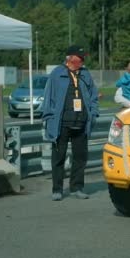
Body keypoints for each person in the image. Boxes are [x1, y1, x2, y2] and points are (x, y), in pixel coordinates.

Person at [41, 45, 99, 201]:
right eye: (81, 58)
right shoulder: (57, 74)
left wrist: (93, 113)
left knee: (80, 157)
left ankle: (77, 188)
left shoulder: (85, 74)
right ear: (71, 58)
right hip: (61, 123)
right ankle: (57, 189)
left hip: (81, 122)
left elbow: (93, 95)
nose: (83, 61)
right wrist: (49, 118)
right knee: (58, 157)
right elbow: (48, 98)